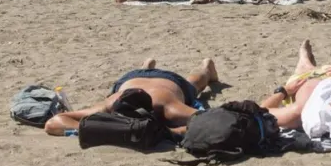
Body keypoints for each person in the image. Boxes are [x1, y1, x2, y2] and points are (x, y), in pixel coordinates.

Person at [44, 58, 219, 136]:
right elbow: (54, 123)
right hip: (131, 79)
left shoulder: (166, 107)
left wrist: (168, 132)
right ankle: (146, 67)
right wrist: (100, 130)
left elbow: (209, 121)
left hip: (168, 81)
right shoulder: (112, 104)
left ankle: (206, 66)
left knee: (195, 84)